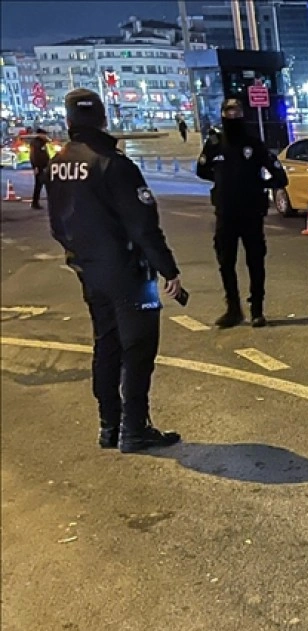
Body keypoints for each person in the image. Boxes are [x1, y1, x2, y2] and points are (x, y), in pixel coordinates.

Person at [46, 89, 184, 453]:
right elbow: (143, 225)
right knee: (137, 350)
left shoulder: (57, 163)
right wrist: (168, 269)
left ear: (69, 121)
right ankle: (134, 429)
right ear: (103, 119)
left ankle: (109, 425)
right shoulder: (113, 163)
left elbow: (57, 224)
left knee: (105, 346)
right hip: (128, 272)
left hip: (89, 271)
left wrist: (79, 256)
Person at [196, 98, 288, 328]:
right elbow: (202, 170)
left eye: (237, 110)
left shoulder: (253, 144)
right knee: (226, 263)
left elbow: (279, 176)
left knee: (255, 262)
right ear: (222, 114)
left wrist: (254, 184)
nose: (233, 114)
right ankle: (233, 309)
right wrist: (223, 182)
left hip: (251, 214)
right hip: (226, 215)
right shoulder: (215, 143)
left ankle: (257, 309)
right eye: (228, 111)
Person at [28, 128, 51, 209]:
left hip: (45, 167)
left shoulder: (41, 142)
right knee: (39, 185)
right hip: (40, 167)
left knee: (42, 185)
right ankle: (35, 203)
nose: (46, 136)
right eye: (44, 134)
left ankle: (35, 202)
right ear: (40, 134)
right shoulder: (36, 143)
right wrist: (35, 167)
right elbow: (34, 156)